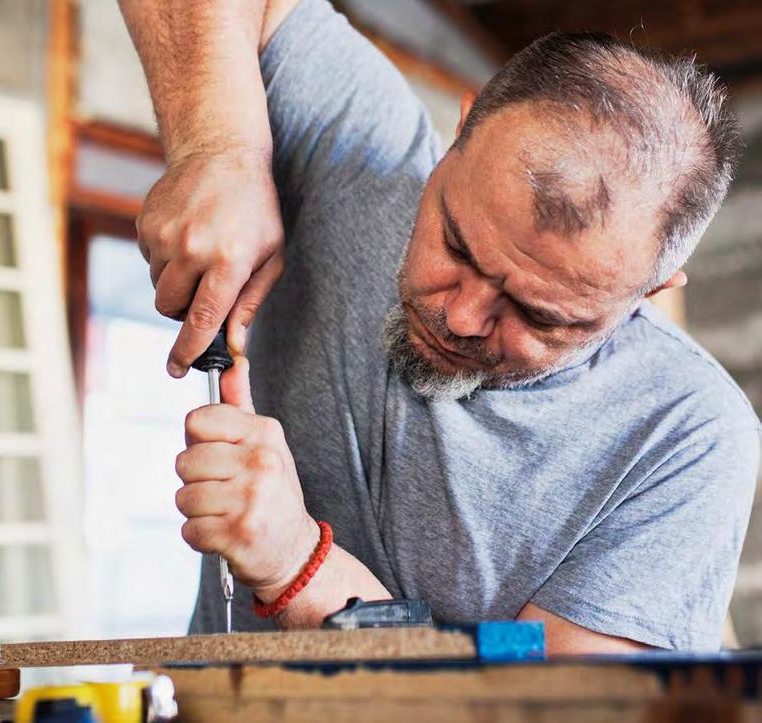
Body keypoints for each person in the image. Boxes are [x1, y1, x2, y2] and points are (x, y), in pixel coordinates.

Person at [118, 0, 761, 653]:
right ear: (462, 131)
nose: (460, 316)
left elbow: (556, 705)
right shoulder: (362, 160)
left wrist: (302, 569)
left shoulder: (688, 437)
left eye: (538, 313)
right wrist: (217, 148)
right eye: (456, 245)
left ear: (649, 293)